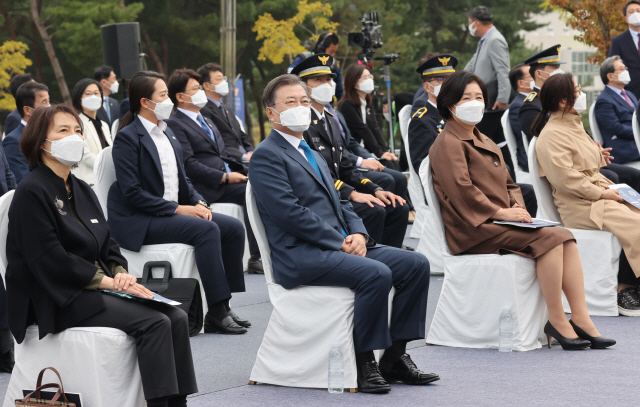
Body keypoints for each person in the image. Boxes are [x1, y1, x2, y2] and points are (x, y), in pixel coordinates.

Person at [251, 74, 438, 393]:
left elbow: (340, 202)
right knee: (376, 273)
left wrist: (359, 235)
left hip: (339, 247)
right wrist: (339, 240)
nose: (301, 107)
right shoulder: (267, 155)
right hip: (303, 254)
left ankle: (394, 356)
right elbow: (290, 214)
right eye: (291, 102)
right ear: (271, 113)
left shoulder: (309, 150)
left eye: (304, 101)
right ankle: (364, 361)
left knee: (415, 265)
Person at [6, 105, 197, 407]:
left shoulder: (81, 188)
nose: (75, 137)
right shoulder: (32, 191)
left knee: (175, 315)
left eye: (78, 130)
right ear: (41, 142)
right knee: (154, 322)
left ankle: (179, 403)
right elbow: (49, 259)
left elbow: (108, 243)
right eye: (63, 131)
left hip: (91, 286)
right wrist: (108, 283)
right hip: (55, 296)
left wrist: (119, 270)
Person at [429, 70, 614, 350]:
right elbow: (462, 192)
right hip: (473, 229)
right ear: (449, 103)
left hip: (496, 222)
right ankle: (556, 319)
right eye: (466, 97)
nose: (475, 102)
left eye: (479, 96)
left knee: (564, 237)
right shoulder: (448, 143)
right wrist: (502, 214)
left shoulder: (483, 138)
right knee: (553, 238)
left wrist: (516, 205)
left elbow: (509, 183)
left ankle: (580, 317)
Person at [108, 71, 250, 334]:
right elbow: (132, 193)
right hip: (141, 219)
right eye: (162, 95)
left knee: (232, 228)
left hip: (169, 213)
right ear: (145, 102)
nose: (168, 100)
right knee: (207, 230)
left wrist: (199, 202)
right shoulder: (128, 138)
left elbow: (182, 179)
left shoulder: (168, 132)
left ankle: (224, 302)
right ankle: (217, 312)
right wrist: (178, 209)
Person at [534, 73, 640, 317]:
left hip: (597, 193)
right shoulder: (551, 135)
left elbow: (585, 163)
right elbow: (566, 180)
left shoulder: (573, 123)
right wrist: (604, 194)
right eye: (577, 89)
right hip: (581, 205)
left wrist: (598, 159)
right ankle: (624, 289)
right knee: (636, 225)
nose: (581, 93)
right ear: (563, 101)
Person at [292, 54, 409, 248]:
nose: (326, 84)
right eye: (318, 80)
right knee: (375, 210)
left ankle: (390, 260)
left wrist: (375, 189)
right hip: (324, 196)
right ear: (304, 86)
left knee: (397, 206)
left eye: (329, 79)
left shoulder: (329, 118)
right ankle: (369, 261)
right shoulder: (302, 123)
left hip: (340, 191)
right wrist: (353, 193)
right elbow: (317, 174)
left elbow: (345, 165)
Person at [165, 68, 263, 274]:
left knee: (263, 181)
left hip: (228, 176)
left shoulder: (206, 120)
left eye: (200, 87)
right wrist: (225, 177)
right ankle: (256, 257)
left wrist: (245, 170)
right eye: (195, 88)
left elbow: (223, 154)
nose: (200, 92)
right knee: (250, 192)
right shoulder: (174, 124)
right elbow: (189, 164)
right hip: (209, 186)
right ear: (180, 97)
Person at [520, 45, 640, 188]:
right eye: (555, 68)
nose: (560, 71)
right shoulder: (531, 106)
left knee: (634, 175)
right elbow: (555, 144)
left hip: (588, 160)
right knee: (612, 177)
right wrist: (591, 153)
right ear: (539, 74)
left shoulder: (567, 101)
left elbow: (580, 131)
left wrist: (596, 150)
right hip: (571, 167)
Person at [339, 64, 400, 170]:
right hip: (355, 152)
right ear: (354, 83)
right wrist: (380, 153)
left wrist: (385, 152)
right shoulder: (347, 105)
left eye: (370, 77)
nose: (369, 80)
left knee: (393, 163)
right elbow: (363, 130)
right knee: (389, 170)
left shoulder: (367, 102)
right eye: (364, 78)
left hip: (367, 151)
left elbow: (374, 128)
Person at [407, 53, 456, 174]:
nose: (446, 84)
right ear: (427, 87)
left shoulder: (456, 113)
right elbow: (424, 168)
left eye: (449, 79)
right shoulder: (422, 121)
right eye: (440, 79)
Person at [196, 63, 255, 163]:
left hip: (245, 159)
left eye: (223, 79)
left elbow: (241, 134)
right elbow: (217, 141)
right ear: (206, 85)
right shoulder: (202, 110)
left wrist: (250, 151)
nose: (224, 82)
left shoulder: (227, 108)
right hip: (228, 161)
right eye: (219, 79)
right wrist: (243, 157)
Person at [594, 56, 640, 164]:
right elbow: (616, 128)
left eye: (626, 69)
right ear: (610, 76)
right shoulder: (604, 101)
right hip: (624, 147)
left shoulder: (629, 94)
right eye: (622, 69)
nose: (626, 71)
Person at [3, 82, 50, 184]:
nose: (49, 106)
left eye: (48, 101)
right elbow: (22, 179)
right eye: (44, 102)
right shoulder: (14, 141)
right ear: (28, 110)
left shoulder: (50, 134)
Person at [464, 6, 510, 110]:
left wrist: (503, 99)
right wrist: (457, 81)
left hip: (491, 100)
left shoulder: (495, 40)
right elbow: (472, 63)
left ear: (476, 23)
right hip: (481, 97)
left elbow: (503, 70)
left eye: (470, 23)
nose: (469, 26)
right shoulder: (485, 39)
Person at [71, 78, 113, 187]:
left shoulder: (104, 125)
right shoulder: (77, 124)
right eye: (88, 94)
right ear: (79, 99)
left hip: (107, 179)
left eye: (96, 93)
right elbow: (85, 156)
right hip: (89, 182)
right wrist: (108, 166)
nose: (93, 97)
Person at [288, 32, 343, 100]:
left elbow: (339, 91)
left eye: (328, 79)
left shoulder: (333, 65)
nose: (333, 55)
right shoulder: (304, 58)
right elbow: (290, 75)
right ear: (321, 48)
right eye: (331, 52)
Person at [609, 0, 640, 99]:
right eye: (631, 11)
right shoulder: (618, 41)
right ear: (626, 19)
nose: (636, 14)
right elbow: (612, 68)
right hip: (630, 95)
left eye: (638, 11)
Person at [507, 63, 533, 171]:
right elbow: (528, 135)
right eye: (532, 75)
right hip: (530, 156)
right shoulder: (518, 105)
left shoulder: (532, 100)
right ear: (521, 83)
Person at [94, 65, 120, 129]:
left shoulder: (115, 103)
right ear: (104, 82)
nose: (116, 82)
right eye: (113, 79)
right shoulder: (92, 104)